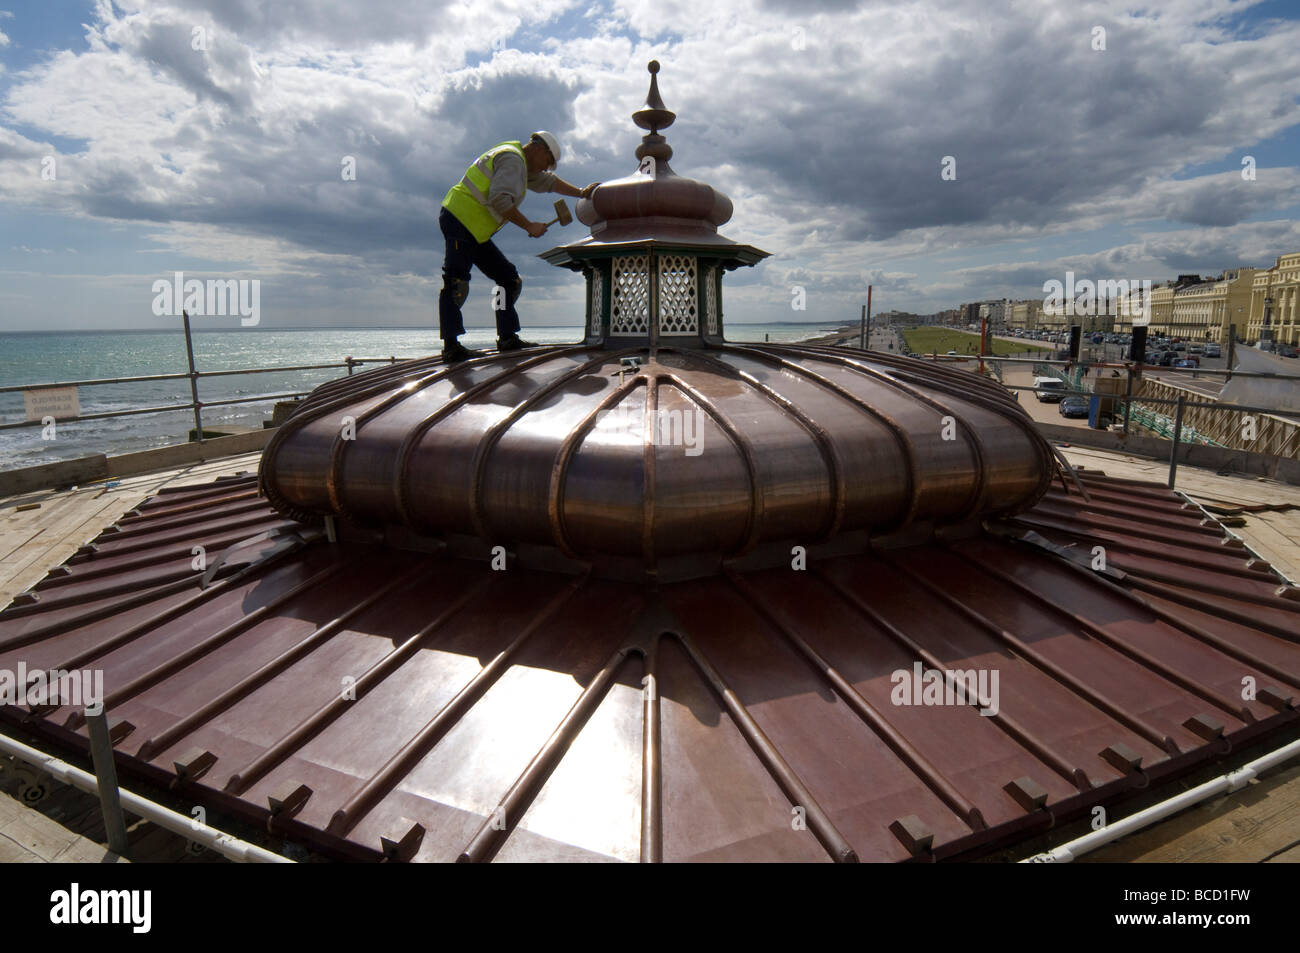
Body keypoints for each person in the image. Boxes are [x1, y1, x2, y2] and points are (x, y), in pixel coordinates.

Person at [438, 131, 598, 362]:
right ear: (539, 150)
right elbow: (500, 199)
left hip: (475, 229)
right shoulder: (513, 161)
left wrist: (581, 193)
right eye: (547, 163)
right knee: (456, 282)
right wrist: (529, 226)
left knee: (508, 279)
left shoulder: (521, 163)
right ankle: (451, 346)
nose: (546, 169)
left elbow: (548, 183)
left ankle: (506, 336)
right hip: (461, 219)